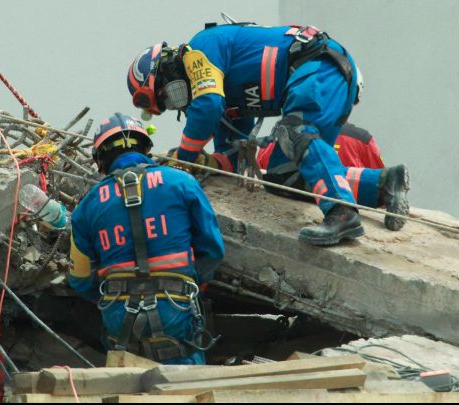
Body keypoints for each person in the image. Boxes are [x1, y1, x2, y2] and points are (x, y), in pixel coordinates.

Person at [127, 22, 377, 245]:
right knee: (284, 178)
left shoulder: (199, 49)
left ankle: (341, 212)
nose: (176, 104)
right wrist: (207, 162)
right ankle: (382, 185)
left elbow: (208, 105)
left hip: (319, 64)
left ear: (169, 70)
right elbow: (233, 156)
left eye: (170, 96)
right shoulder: (228, 99)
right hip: (326, 75)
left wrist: (183, 160)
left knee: (296, 133)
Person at [68, 113, 225, 364]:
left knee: (126, 380)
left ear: (100, 160)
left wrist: (111, 296)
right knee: (186, 377)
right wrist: (199, 283)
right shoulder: (182, 182)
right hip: (177, 306)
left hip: (118, 313)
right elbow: (213, 249)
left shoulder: (87, 206)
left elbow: (79, 279)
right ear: (145, 147)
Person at [257, 122, 410, 231]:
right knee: (280, 180)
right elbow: (377, 167)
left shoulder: (286, 139)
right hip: (353, 197)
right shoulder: (361, 138)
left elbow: (261, 167)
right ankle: (383, 186)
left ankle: (384, 185)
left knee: (279, 179)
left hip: (328, 198)